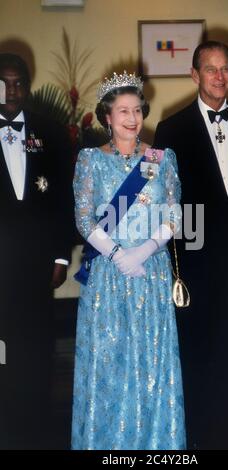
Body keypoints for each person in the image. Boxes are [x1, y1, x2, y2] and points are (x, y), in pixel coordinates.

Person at [154, 41, 228, 449]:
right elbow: (167, 198)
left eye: (225, 69)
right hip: (195, 257)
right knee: (197, 344)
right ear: (194, 75)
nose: (219, 77)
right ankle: (196, 431)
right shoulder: (172, 128)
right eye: (210, 69)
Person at [71, 72, 186, 450]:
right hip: (109, 274)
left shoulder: (159, 158)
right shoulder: (90, 160)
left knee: (152, 365)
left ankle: (155, 445)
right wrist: (120, 255)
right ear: (106, 116)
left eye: (137, 110)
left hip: (149, 272)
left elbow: (174, 213)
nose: (132, 118)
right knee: (109, 365)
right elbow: (84, 218)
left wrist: (145, 250)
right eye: (123, 111)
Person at [0, 53, 74, 448]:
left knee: (37, 346)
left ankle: (36, 425)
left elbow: (64, 198)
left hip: (38, 264)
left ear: (27, 87)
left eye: (18, 82)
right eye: (3, 82)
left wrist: (62, 256)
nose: (11, 90)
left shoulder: (51, 132)